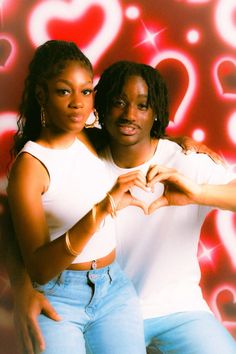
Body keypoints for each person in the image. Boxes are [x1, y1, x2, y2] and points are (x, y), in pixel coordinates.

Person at [3, 59, 234, 354]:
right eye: (118, 103)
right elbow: (13, 216)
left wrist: (198, 193)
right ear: (100, 108)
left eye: (143, 106)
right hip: (100, 306)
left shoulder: (184, 160)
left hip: (178, 309)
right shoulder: (83, 152)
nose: (129, 115)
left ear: (157, 112)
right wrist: (22, 289)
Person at [6, 42, 148, 354]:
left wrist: (184, 141)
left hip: (113, 289)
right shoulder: (30, 167)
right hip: (58, 298)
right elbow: (40, 268)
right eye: (63, 91)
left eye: (86, 91)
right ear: (42, 96)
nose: (78, 104)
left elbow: (136, 132)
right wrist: (101, 210)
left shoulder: (88, 136)